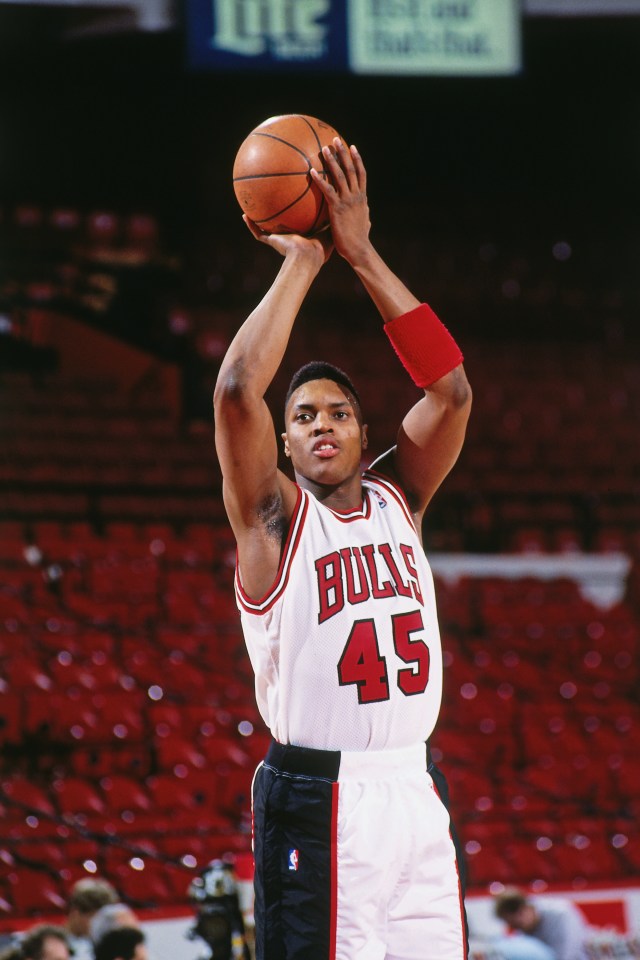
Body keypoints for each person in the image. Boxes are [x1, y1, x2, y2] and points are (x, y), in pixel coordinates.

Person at [214, 135, 472, 960]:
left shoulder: (404, 499)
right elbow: (234, 391)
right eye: (303, 417)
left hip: (414, 788)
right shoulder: (274, 522)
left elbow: (450, 389)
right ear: (283, 447)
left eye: (337, 412)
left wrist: (361, 252)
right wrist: (304, 260)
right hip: (318, 799)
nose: (320, 422)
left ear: (365, 433)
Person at [493, 888, 592, 960]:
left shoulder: (561, 914)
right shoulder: (525, 926)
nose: (517, 929)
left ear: (522, 911)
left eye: (516, 924)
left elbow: (569, 955)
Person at [64, 878, 119, 960]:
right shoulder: (56, 947)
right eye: (96, 920)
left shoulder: (106, 943)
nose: (100, 925)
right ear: (76, 913)